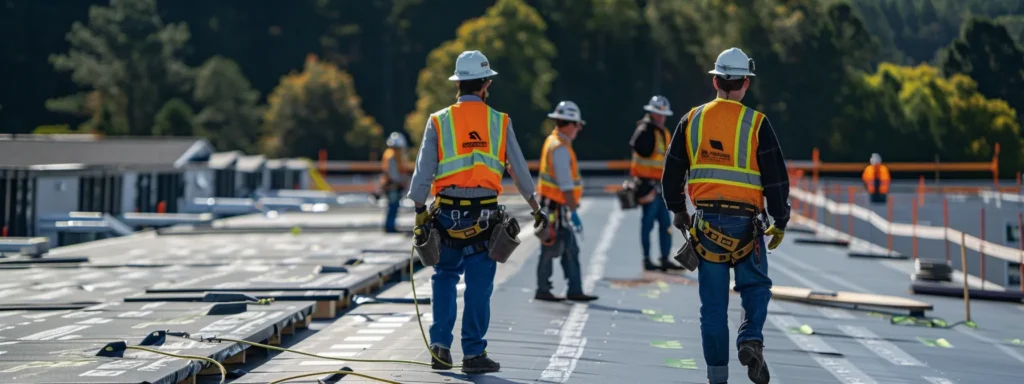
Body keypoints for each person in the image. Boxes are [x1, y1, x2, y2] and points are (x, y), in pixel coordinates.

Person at [407, 50, 548, 374]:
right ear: (485, 84)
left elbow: (423, 172)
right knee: (479, 287)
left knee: (444, 278)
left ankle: (440, 349)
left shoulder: (439, 121)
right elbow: (518, 169)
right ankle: (473, 354)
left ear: (458, 84)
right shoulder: (499, 121)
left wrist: (419, 210)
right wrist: (535, 207)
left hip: (445, 216)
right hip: (485, 219)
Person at [660, 47, 790, 384]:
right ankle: (750, 338)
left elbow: (671, 174)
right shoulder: (757, 124)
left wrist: (678, 211)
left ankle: (717, 378)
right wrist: (781, 219)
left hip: (705, 227)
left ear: (715, 80)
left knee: (713, 310)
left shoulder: (692, 120)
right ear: (746, 83)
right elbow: (776, 179)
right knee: (756, 287)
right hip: (748, 225)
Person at [534, 101, 599, 302]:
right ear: (569, 124)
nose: (579, 129)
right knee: (552, 246)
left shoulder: (553, 142)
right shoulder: (560, 149)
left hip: (552, 205)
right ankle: (549, 289)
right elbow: (565, 185)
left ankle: (569, 288)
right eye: (577, 124)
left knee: (566, 247)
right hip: (556, 207)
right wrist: (574, 210)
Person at [630, 95, 684, 272]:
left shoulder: (664, 132)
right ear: (651, 114)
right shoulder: (645, 131)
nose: (661, 118)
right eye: (657, 114)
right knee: (647, 224)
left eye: (663, 115)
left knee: (665, 224)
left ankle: (664, 258)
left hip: (661, 187)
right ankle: (647, 259)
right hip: (647, 186)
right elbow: (639, 147)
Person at [381, 132, 410, 233]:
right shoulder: (392, 156)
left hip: (392, 184)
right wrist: (401, 181)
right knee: (393, 206)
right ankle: (390, 227)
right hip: (392, 185)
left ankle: (390, 226)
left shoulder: (391, 154)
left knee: (393, 206)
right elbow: (393, 174)